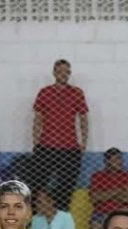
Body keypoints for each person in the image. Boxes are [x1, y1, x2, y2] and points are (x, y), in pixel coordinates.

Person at [33, 59, 88, 210]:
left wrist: (84, 142)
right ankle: (38, 219)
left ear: (69, 73)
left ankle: (60, 222)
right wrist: (36, 142)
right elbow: (38, 118)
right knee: (39, 185)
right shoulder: (45, 92)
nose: (63, 74)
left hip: (70, 148)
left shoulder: (77, 93)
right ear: (54, 73)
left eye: (66, 71)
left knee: (66, 188)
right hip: (46, 146)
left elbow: (83, 118)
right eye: (60, 70)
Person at [89, 147, 128, 225]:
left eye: (120, 159)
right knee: (96, 227)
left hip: (123, 213)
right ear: (107, 161)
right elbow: (94, 199)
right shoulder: (97, 176)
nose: (119, 162)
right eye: (115, 160)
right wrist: (119, 191)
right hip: (102, 213)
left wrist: (105, 195)